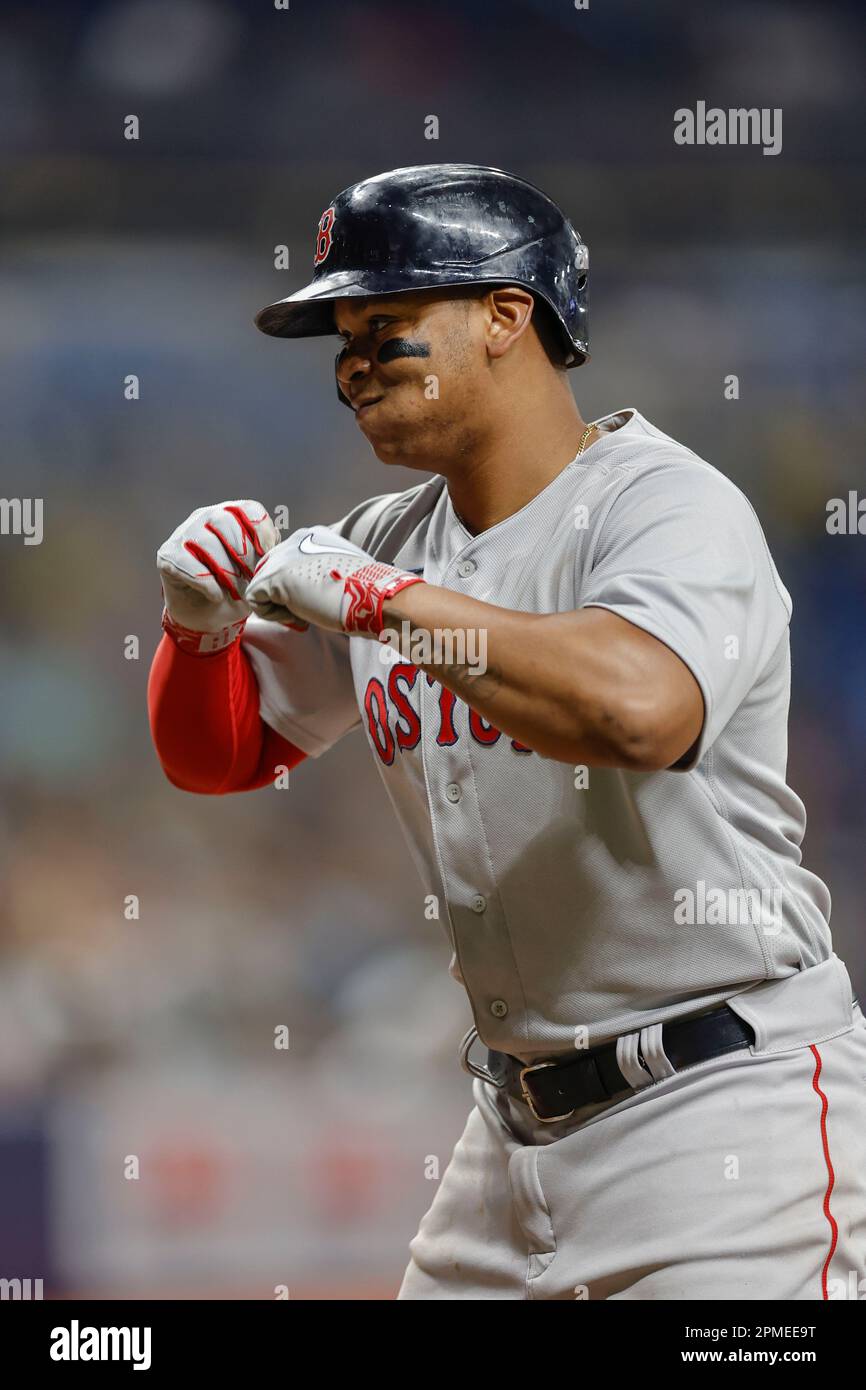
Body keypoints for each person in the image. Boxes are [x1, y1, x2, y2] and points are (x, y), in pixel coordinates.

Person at [148, 164, 866, 1300]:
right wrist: (196, 633)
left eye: (384, 327)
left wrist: (380, 601)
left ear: (503, 316)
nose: (351, 367)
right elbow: (224, 756)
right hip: (509, 1132)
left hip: (725, 1114)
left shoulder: (662, 505)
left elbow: (636, 711)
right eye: (342, 337)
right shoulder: (390, 535)